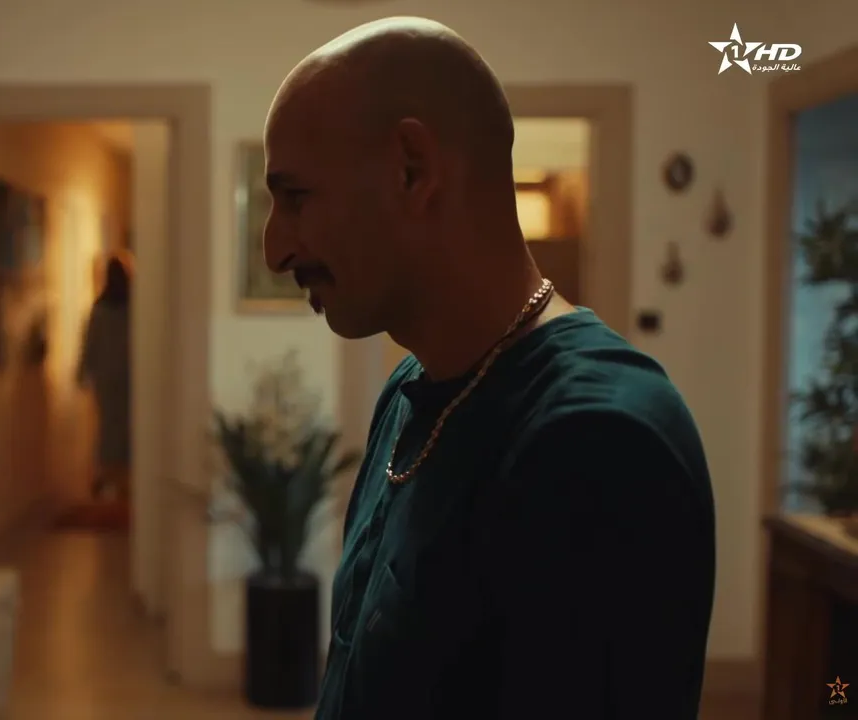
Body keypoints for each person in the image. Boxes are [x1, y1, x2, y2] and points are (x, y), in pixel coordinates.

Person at [261, 17, 716, 719]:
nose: (274, 250)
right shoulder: (412, 391)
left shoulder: (597, 441)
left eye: (296, 198)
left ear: (411, 170)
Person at [77, 255, 132, 499]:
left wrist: (83, 372)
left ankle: (108, 476)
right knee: (127, 424)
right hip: (128, 374)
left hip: (106, 376)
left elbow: (90, 343)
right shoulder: (132, 308)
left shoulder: (99, 309)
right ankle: (124, 479)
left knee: (109, 425)